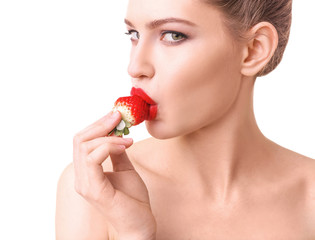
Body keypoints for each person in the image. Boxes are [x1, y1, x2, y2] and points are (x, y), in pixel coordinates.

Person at [55, 0, 315, 239]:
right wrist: (134, 233)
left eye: (173, 35)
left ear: (254, 50)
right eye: (134, 35)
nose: (135, 67)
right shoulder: (94, 191)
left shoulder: (309, 198)